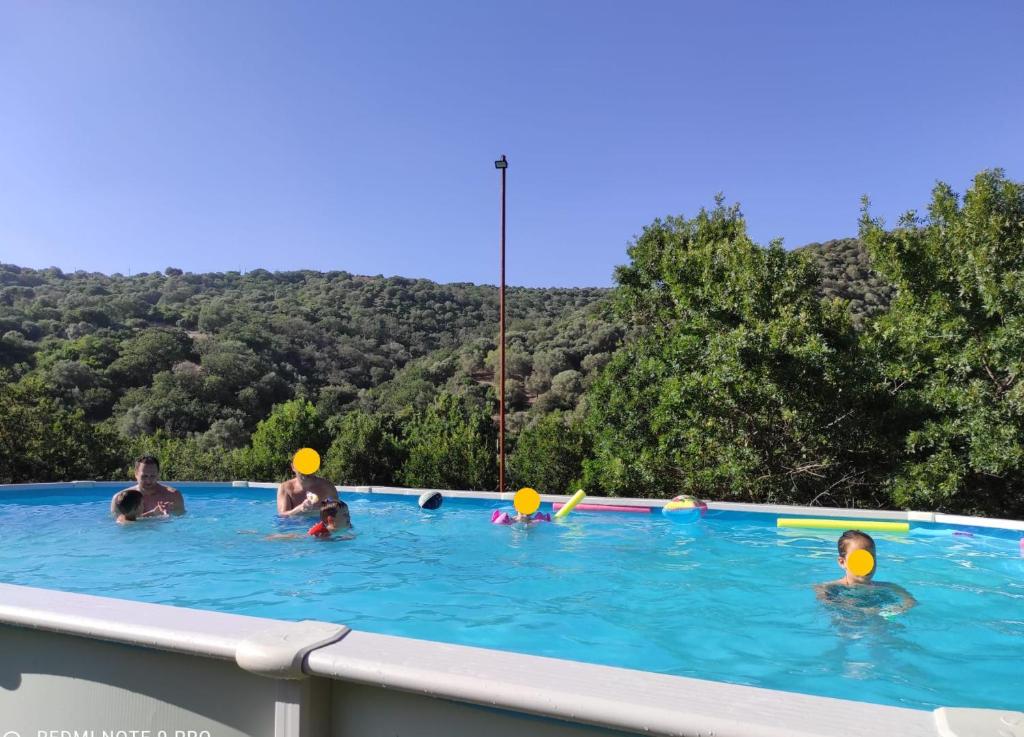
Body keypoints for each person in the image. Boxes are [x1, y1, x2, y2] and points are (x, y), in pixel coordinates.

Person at [815, 530, 917, 616]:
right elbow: (826, 602)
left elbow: (911, 601)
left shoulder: (889, 587)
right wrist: (862, 610)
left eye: (871, 557)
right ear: (842, 562)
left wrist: (892, 611)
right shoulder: (830, 588)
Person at [111, 455, 186, 519]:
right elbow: (121, 524)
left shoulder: (173, 496)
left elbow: (181, 522)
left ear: (158, 474)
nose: (148, 481)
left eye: (152, 476)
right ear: (136, 474)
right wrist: (153, 513)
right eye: (144, 476)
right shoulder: (121, 499)